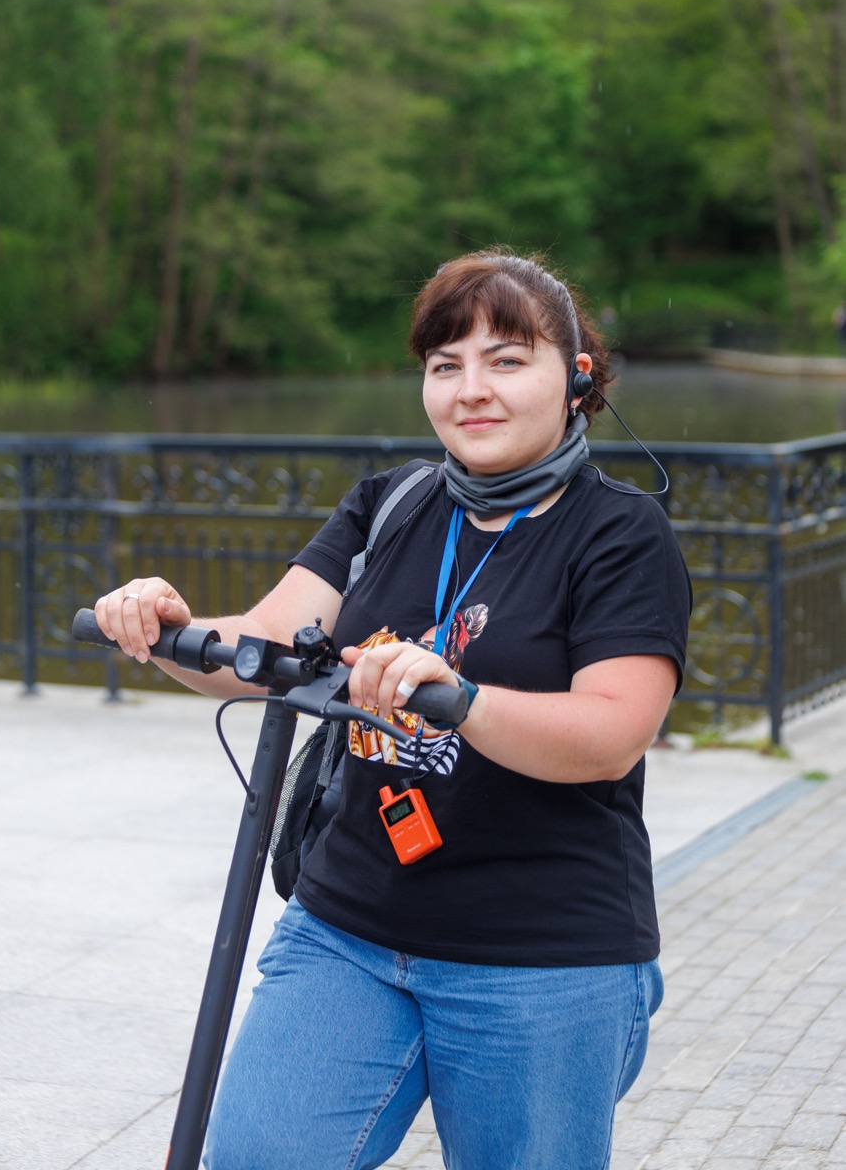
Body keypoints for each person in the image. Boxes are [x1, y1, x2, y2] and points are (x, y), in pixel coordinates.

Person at [95, 248, 692, 1170]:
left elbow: (609, 736)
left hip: (539, 954)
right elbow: (263, 650)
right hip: (349, 928)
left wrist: (458, 698)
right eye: (445, 365)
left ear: (575, 378)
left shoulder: (619, 533)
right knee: (259, 1156)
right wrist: (165, 625)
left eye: (506, 360)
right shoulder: (393, 502)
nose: (471, 390)